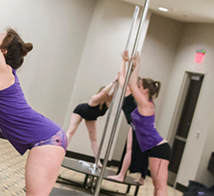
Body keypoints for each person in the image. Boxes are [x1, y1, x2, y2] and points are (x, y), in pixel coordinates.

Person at [0, 0, 65, 196]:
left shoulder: (0, 70)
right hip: (47, 139)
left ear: (3, 51)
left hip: (46, 141)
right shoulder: (2, 69)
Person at [66, 53, 129, 165]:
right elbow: (104, 92)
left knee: (93, 139)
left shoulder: (107, 103)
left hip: (91, 117)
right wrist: (114, 81)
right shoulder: (95, 99)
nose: (106, 94)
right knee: (71, 131)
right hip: (80, 111)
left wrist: (119, 81)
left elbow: (113, 92)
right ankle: (61, 150)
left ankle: (97, 160)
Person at [127, 52, 167, 196]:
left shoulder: (146, 105)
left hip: (158, 148)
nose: (137, 87)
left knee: (160, 185)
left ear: (145, 90)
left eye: (140, 86)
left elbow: (131, 84)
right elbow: (129, 85)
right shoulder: (143, 104)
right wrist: (131, 67)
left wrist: (137, 65)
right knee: (157, 186)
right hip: (152, 148)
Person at [107, 52, 149, 185]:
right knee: (135, 149)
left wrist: (123, 61)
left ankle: (121, 175)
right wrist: (132, 65)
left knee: (130, 149)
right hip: (138, 124)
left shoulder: (129, 91)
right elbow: (124, 77)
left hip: (138, 124)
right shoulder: (133, 94)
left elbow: (122, 77)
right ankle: (140, 177)